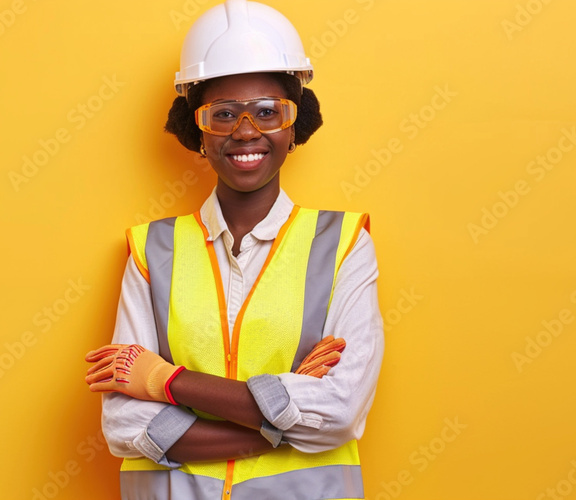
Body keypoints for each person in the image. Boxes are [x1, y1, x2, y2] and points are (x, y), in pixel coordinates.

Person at [83, 1, 385, 498]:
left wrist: (164, 380)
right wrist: (280, 419)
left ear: (294, 127)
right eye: (223, 114)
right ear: (198, 132)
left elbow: (340, 411)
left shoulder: (345, 244)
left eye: (269, 111)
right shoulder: (150, 250)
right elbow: (123, 424)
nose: (246, 130)